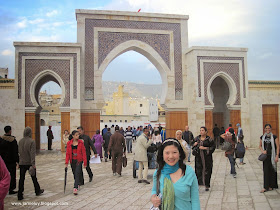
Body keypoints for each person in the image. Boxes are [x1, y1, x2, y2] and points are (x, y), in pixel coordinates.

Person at [150, 138, 200, 210]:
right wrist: (153, 197)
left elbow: (195, 200)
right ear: (162, 155)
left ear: (179, 153)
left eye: (174, 152)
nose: (171, 156)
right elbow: (154, 190)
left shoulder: (189, 172)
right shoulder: (158, 173)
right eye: (167, 153)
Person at [18, 127, 44, 200]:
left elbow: (19, 152)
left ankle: (20, 194)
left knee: (21, 179)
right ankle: (37, 190)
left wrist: (19, 162)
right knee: (34, 178)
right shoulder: (32, 141)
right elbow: (32, 154)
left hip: (22, 162)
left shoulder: (20, 141)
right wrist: (33, 164)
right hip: (29, 163)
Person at [193, 126, 215, 191]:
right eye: (200, 130)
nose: (201, 132)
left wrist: (205, 148)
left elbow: (213, 147)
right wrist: (194, 145)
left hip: (207, 159)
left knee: (207, 171)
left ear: (206, 132)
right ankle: (199, 184)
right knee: (198, 171)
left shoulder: (209, 139)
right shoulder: (197, 139)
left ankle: (207, 185)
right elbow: (192, 147)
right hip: (198, 158)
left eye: (202, 130)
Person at [65, 130, 87, 195]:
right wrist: (66, 162)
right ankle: (77, 183)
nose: (78, 136)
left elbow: (83, 152)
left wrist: (85, 162)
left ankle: (75, 187)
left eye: (78, 135)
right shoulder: (69, 143)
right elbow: (68, 153)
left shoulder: (81, 142)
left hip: (79, 160)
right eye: (76, 135)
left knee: (77, 173)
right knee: (74, 173)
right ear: (73, 136)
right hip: (72, 160)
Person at [259, 124, 279, 193]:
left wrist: (277, 156)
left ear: (271, 129)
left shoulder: (274, 137)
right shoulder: (262, 137)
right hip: (266, 157)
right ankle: (265, 187)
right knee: (266, 171)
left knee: (272, 171)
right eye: (266, 128)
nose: (268, 129)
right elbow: (260, 146)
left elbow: (278, 147)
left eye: (269, 128)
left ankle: (271, 186)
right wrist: (262, 151)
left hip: (272, 156)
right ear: (264, 129)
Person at [0, 126, 19, 195]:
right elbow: (15, 151)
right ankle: (11, 189)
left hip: (3, 161)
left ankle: (2, 187)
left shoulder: (1, 139)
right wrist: (18, 161)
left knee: (2, 175)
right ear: (10, 131)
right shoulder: (13, 140)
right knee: (12, 175)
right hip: (11, 161)